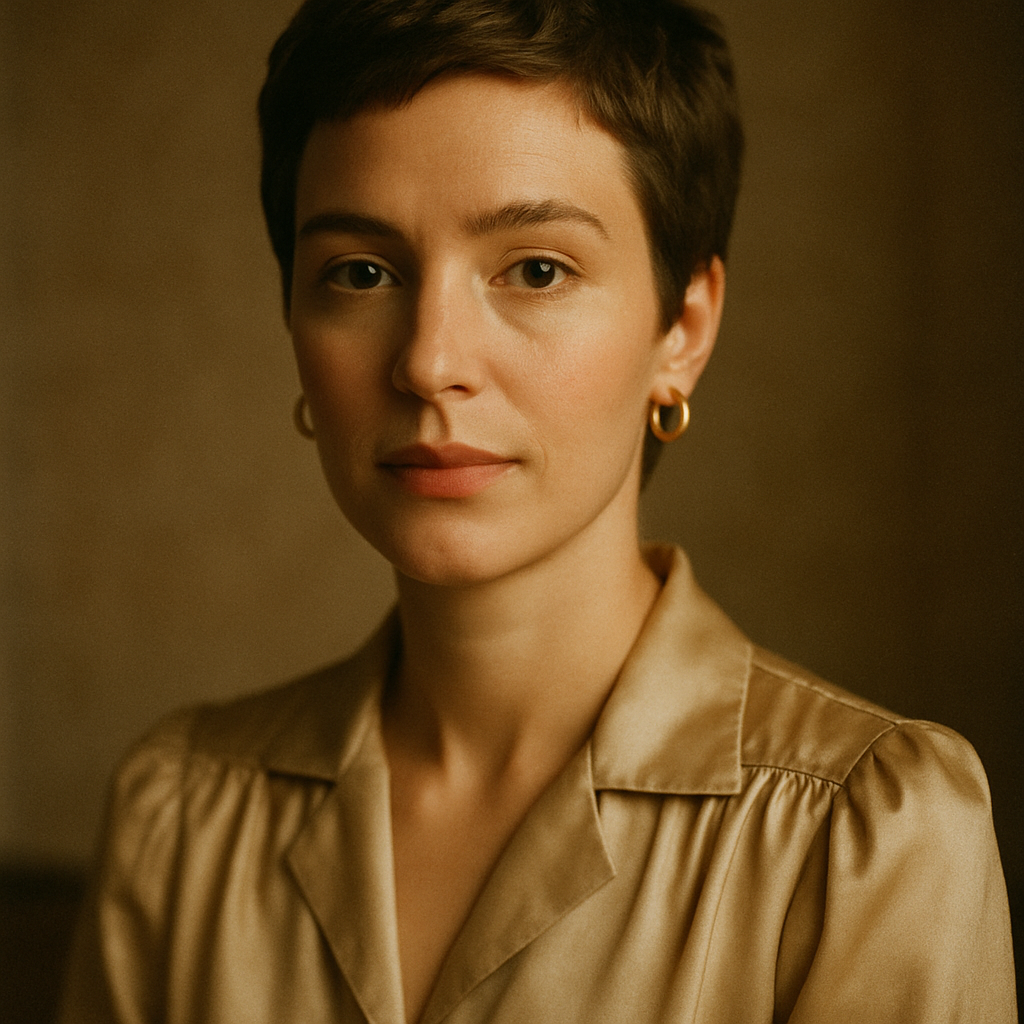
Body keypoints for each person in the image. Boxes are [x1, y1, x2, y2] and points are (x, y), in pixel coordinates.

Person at [60, 0, 1016, 1021]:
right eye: (361, 272)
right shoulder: (179, 818)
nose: (429, 360)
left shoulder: (861, 834)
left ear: (681, 328)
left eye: (536, 269)